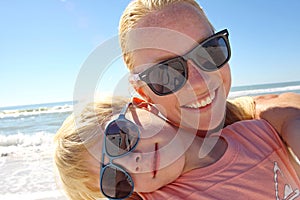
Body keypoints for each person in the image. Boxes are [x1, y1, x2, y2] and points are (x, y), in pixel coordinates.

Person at [118, 0, 300, 171]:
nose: (199, 82)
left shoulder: (269, 119)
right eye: (167, 72)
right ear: (144, 92)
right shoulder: (139, 177)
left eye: (208, 50)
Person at [53, 96, 300, 200]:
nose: (132, 164)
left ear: (141, 105)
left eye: (119, 140)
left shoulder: (258, 132)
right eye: (116, 180)